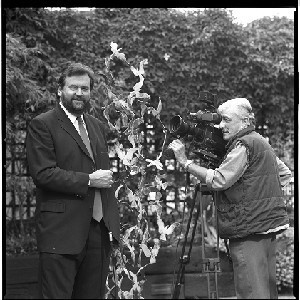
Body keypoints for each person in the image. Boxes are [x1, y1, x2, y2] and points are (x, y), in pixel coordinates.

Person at [169, 98, 292, 299]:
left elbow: (219, 180)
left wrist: (185, 161)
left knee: (250, 292)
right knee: (266, 292)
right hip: (266, 228)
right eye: (220, 120)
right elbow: (285, 175)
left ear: (244, 121)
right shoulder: (259, 141)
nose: (220, 125)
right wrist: (254, 192)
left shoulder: (242, 145)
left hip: (248, 229)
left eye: (226, 120)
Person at [26, 62, 120, 299]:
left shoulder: (96, 126)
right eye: (73, 87)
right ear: (60, 90)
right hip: (61, 233)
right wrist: (88, 180)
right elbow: (43, 173)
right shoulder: (43, 124)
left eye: (85, 89)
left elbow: (103, 176)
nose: (79, 93)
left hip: (98, 231)